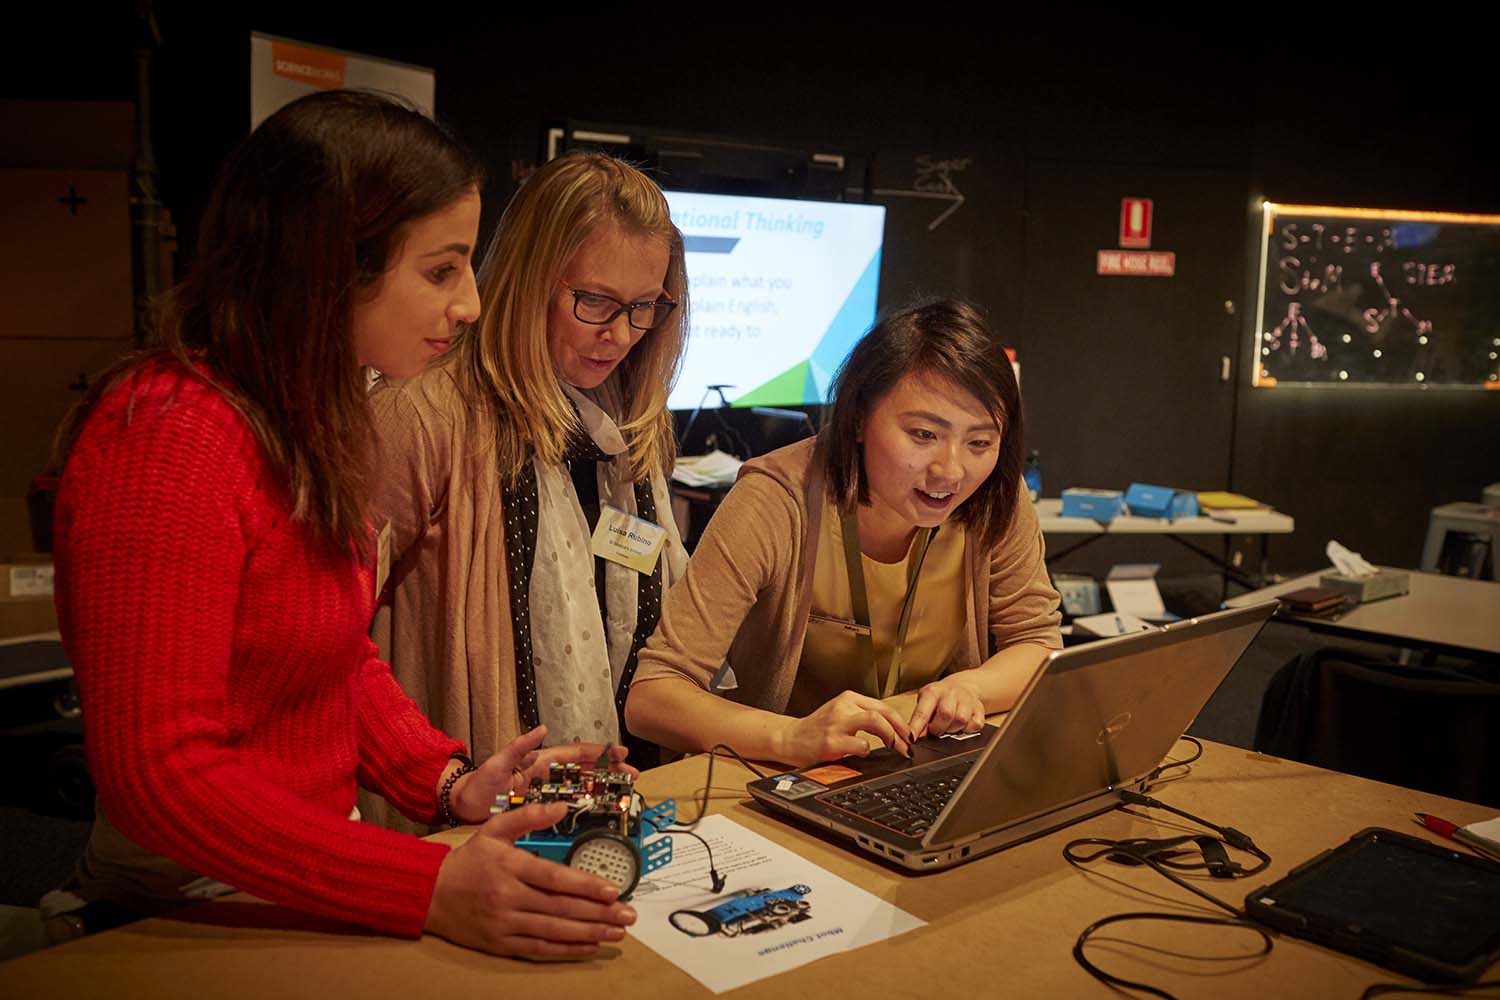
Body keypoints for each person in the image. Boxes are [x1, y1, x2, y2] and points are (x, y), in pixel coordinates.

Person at [45, 90, 635, 959]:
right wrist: (423, 882)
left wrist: (449, 782)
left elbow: (329, 648)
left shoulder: (304, 417)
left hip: (297, 875)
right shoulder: (166, 437)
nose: (469, 303)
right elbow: (159, 777)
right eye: (441, 270)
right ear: (330, 268)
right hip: (187, 907)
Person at [366, 151, 688, 805]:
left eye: (645, 305)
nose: (621, 334)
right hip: (462, 812)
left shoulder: (625, 423)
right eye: (594, 301)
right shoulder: (420, 416)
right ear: (528, 276)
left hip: (614, 800)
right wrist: (441, 781)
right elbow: (326, 644)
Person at [624, 299, 1062, 766]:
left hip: (918, 764)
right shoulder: (776, 499)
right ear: (858, 418)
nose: (950, 471)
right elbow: (653, 698)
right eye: (923, 435)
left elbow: (1038, 644)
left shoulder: (995, 496)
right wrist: (791, 738)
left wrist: (968, 687)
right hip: (781, 777)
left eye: (979, 442)